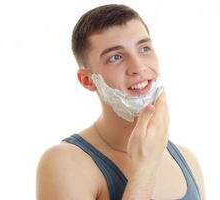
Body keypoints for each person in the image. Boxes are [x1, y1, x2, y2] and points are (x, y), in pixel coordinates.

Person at [36, 4, 205, 200]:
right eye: (116, 57)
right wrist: (144, 169)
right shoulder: (65, 163)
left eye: (144, 49)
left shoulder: (187, 161)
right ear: (87, 80)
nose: (138, 67)